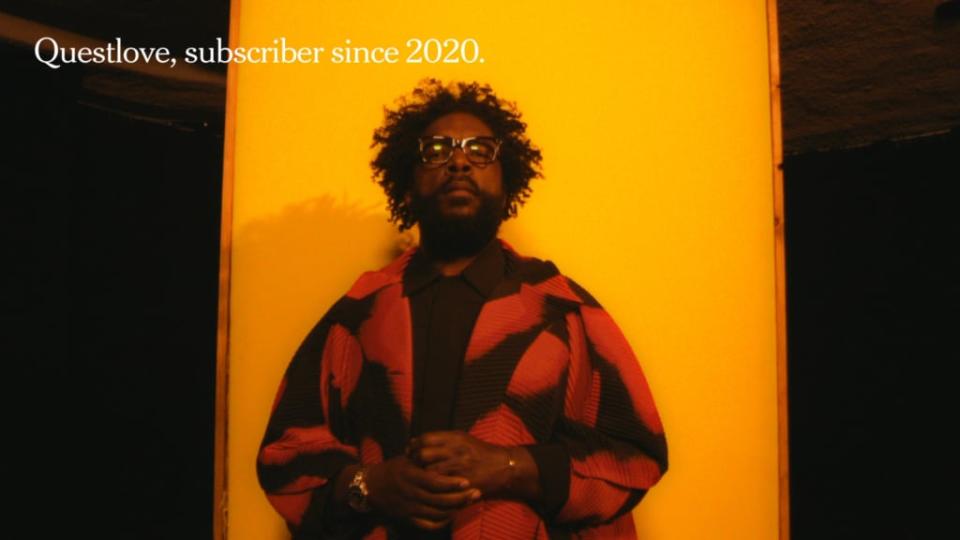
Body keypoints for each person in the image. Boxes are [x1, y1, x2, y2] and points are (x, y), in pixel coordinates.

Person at [256, 79, 668, 539]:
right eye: (436, 150)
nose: (457, 161)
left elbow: (634, 454)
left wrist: (510, 466)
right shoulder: (358, 316)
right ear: (408, 184)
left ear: (507, 179)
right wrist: (370, 485)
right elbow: (286, 457)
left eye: (480, 150)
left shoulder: (562, 310)